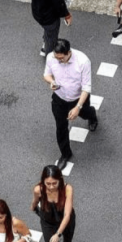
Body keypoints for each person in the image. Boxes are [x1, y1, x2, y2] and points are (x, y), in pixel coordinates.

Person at [43, 39, 99, 170]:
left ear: (69, 53)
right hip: (59, 98)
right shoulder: (51, 58)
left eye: (61, 58)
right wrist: (51, 82)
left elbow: (86, 88)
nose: (59, 61)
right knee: (61, 127)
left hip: (78, 98)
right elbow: (46, 75)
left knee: (85, 113)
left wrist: (77, 108)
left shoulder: (83, 61)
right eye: (57, 58)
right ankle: (65, 154)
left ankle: (92, 116)